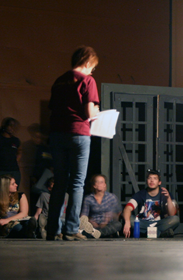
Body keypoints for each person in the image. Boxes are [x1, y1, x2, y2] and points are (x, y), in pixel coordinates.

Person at [46, 46, 101, 241]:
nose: (92, 71)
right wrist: (96, 110)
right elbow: (88, 113)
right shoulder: (88, 80)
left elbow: (52, 107)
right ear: (87, 63)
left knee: (60, 182)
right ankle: (70, 230)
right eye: (92, 67)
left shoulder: (59, 81)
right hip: (78, 134)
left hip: (57, 134)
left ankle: (52, 229)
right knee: (77, 183)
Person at [122, 169, 180, 238]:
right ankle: (159, 233)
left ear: (159, 182)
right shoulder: (141, 194)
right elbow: (127, 208)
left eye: (155, 178)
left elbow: (172, 214)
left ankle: (146, 233)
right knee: (130, 219)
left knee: (175, 219)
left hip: (158, 223)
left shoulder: (165, 193)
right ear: (147, 181)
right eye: (149, 178)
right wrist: (127, 222)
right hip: (143, 223)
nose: (152, 181)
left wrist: (168, 198)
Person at [79, 174, 122, 238]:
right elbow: (84, 216)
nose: (100, 184)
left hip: (107, 225)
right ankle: (97, 233)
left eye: (102, 182)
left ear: (105, 185)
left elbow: (118, 213)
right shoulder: (88, 198)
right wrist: (91, 221)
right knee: (82, 226)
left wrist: (109, 218)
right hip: (93, 225)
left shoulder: (112, 197)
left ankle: (98, 234)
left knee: (118, 225)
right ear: (94, 185)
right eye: (97, 182)